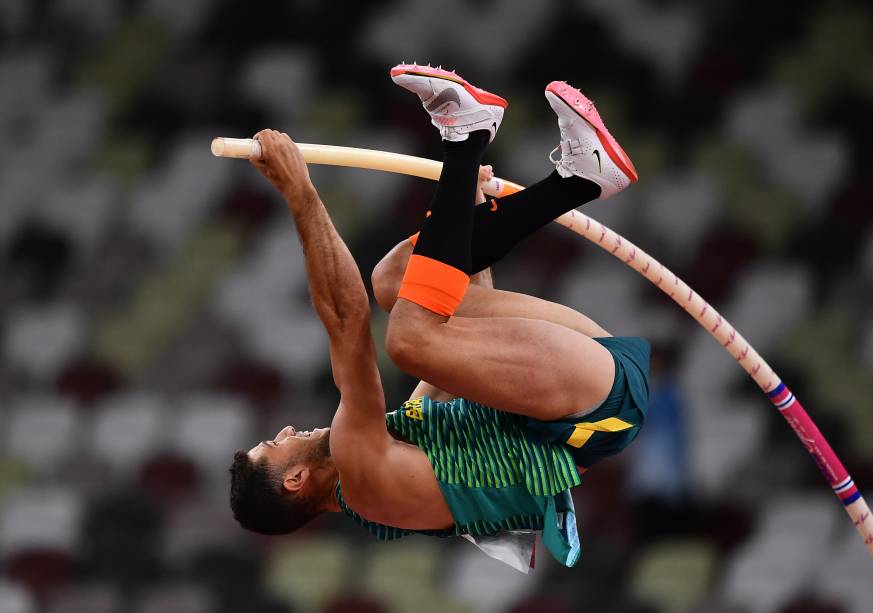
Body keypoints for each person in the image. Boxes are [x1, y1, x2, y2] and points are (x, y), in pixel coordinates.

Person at [229, 64, 650, 570]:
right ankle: (468, 134)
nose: (288, 429)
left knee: (396, 280)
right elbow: (346, 319)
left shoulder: (403, 452)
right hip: (595, 408)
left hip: (579, 381)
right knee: (406, 340)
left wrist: (465, 201)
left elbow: (456, 330)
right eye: (276, 445)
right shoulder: (363, 477)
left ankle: (579, 180)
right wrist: (301, 195)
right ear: (294, 480)